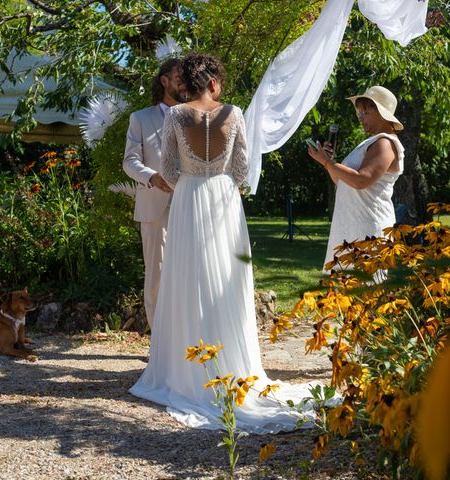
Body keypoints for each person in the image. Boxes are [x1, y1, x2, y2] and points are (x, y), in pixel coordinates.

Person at [130, 53, 314, 433]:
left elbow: (167, 169)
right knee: (226, 280)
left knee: (186, 278)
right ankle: (232, 364)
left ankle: (186, 370)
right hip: (224, 200)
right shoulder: (235, 113)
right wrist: (221, 175)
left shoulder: (178, 116)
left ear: (189, 83)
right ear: (214, 82)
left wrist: (193, 174)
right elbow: (243, 169)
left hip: (189, 198)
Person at [308, 86, 405, 279]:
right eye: (358, 112)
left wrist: (328, 162)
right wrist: (330, 164)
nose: (360, 117)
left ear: (381, 113)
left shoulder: (385, 142)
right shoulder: (371, 142)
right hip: (351, 222)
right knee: (346, 292)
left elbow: (362, 180)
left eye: (365, 112)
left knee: (367, 291)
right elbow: (343, 182)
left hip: (369, 226)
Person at [122, 58, 186, 329]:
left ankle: (186, 343)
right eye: (179, 77)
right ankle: (159, 348)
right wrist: (151, 177)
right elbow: (129, 161)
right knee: (157, 278)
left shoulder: (195, 116)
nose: (184, 83)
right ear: (164, 80)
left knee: (190, 275)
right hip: (154, 206)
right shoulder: (140, 118)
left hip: (190, 204)